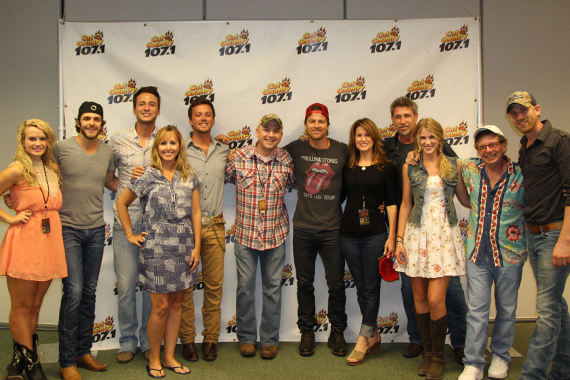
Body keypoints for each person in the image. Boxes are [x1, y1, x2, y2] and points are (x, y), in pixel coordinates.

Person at [384, 96, 467, 363]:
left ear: (440, 139)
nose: (427, 142)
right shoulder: (407, 161)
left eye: (432, 137)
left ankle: (452, 348)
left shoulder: (454, 163)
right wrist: (398, 239)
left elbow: (466, 199)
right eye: (424, 139)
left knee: (439, 299)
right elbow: (405, 204)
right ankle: (428, 353)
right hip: (416, 234)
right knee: (416, 295)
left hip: (443, 236)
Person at [117, 125, 201, 378]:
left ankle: (168, 355)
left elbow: (196, 212)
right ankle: (153, 357)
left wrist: (197, 246)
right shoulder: (146, 176)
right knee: (161, 306)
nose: (168, 148)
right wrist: (130, 234)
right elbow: (121, 203)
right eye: (163, 143)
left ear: (179, 147)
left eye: (172, 143)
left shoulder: (190, 176)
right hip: (155, 249)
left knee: (177, 304)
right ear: (157, 148)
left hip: (185, 246)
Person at [505, 91, 570, 380]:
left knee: (545, 311)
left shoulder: (559, 141)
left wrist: (565, 240)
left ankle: (533, 375)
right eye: (514, 113)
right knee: (555, 304)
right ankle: (563, 368)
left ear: (537, 109)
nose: (520, 117)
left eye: (524, 110)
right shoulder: (525, 147)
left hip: (555, 234)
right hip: (533, 235)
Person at [455, 125, 526, 380]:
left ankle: (500, 357)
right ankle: (473, 362)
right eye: (482, 146)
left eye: (493, 144)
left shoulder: (521, 174)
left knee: (506, 309)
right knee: (477, 309)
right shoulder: (470, 167)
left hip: (509, 254)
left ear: (503, 145)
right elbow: (442, 157)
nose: (488, 150)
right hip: (477, 254)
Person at [0, 119, 67, 380]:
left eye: (42, 139)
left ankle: (19, 361)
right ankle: (32, 364)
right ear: (23, 141)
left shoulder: (51, 167)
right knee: (22, 305)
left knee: (35, 306)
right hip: (26, 241)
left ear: (48, 141)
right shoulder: (17, 169)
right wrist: (9, 217)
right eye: (32, 139)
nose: (37, 143)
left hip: (49, 240)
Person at [225, 114, 295, 360]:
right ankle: (245, 338)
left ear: (281, 135)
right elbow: (215, 177)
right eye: (267, 130)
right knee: (245, 288)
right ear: (258, 130)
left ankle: (269, 340)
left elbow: (298, 184)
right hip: (245, 234)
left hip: (275, 234)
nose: (270, 135)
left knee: (273, 289)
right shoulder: (238, 157)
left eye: (276, 131)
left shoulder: (286, 158)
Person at [55, 102, 117, 380]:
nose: (92, 123)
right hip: (67, 228)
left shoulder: (107, 152)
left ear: (102, 124)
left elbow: (110, 182)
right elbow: (43, 178)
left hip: (95, 230)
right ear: (78, 121)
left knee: (89, 292)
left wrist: (141, 183)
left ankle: (83, 351)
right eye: (87, 119)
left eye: (97, 119)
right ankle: (66, 360)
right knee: (73, 293)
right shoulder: (60, 148)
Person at [284, 103, 349, 357]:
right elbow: (266, 149)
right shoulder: (295, 149)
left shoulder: (343, 150)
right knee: (304, 283)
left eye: (321, 121)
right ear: (305, 126)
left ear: (328, 125)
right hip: (303, 228)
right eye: (312, 121)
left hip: (333, 228)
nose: (317, 125)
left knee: (336, 284)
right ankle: (307, 331)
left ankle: (338, 331)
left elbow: (368, 164)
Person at [340, 118, 398, 366]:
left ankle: (364, 338)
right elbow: (339, 195)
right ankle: (373, 334)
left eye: (367, 135)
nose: (362, 139)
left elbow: (393, 202)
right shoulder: (348, 167)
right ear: (354, 139)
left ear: (375, 138)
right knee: (361, 287)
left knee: (371, 287)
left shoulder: (388, 167)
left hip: (376, 234)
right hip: (349, 234)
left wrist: (392, 236)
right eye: (358, 135)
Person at [109, 86, 160, 363]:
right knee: (127, 287)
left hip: (155, 225)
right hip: (124, 224)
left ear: (158, 110)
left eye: (152, 104)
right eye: (142, 103)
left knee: (153, 288)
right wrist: (129, 188)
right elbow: (107, 178)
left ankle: (148, 341)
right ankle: (127, 342)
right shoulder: (117, 140)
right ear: (134, 108)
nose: (147, 108)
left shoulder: (164, 140)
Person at [179, 98, 229, 362]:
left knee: (214, 288)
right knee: (185, 289)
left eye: (207, 114)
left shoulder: (224, 149)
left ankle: (210, 340)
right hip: (186, 228)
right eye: (198, 115)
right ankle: (187, 341)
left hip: (216, 226)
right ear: (190, 120)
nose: (203, 118)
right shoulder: (179, 150)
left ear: (212, 119)